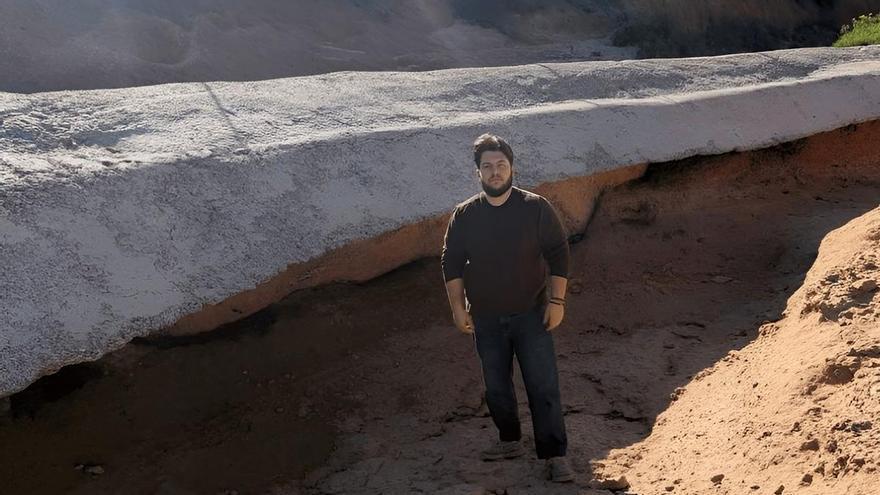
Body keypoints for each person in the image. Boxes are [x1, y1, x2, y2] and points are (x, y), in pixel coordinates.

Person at [440, 133, 574, 483]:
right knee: (496, 387)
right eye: (488, 167)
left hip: (531, 314)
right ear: (478, 173)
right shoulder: (465, 215)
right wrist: (457, 309)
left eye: (501, 165)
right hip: (485, 318)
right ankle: (510, 439)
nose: (495, 172)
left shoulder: (535, 208)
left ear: (512, 168)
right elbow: (451, 262)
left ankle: (554, 455)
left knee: (542, 385)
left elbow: (558, 253)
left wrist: (557, 301)